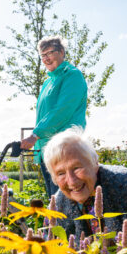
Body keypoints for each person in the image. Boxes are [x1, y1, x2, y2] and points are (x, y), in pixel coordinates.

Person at [43, 128, 127, 243]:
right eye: (60, 173)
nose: (71, 181)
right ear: (54, 179)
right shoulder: (56, 207)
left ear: (94, 163)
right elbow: (48, 251)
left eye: (77, 168)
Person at [20, 36, 87, 198]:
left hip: (65, 148)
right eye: (42, 55)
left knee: (68, 201)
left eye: (50, 52)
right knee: (54, 201)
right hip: (46, 149)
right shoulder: (47, 83)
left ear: (62, 52)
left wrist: (35, 135)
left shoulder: (72, 76)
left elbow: (62, 111)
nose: (46, 58)